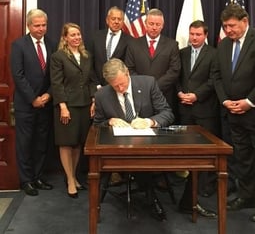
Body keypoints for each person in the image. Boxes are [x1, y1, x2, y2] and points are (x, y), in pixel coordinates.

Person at [93, 58, 175, 221]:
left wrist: (149, 122)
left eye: (122, 84)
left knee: (143, 160)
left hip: (148, 143)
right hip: (118, 146)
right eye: (115, 86)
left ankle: (151, 197)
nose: (121, 88)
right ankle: (148, 195)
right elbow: (97, 124)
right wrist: (109, 121)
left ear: (127, 73)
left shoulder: (148, 83)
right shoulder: (102, 95)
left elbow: (167, 113)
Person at [214, 3, 255, 222]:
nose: (228, 30)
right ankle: (247, 196)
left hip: (252, 111)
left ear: (245, 21)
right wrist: (225, 100)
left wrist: (249, 101)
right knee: (243, 158)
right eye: (225, 26)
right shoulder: (223, 45)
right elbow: (217, 75)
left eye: (231, 26)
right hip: (233, 113)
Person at [10, 9, 56, 196]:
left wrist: (49, 95)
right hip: (25, 105)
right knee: (25, 143)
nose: (40, 29)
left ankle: (37, 177)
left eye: (43, 25)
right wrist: (33, 99)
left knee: (41, 143)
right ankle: (26, 180)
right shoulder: (19, 45)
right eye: (37, 25)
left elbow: (56, 74)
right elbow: (18, 75)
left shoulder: (52, 44)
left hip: (45, 103)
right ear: (29, 26)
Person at [176, 20, 219, 218]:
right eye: (191, 34)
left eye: (198, 35)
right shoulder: (182, 52)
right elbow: (177, 76)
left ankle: (200, 191)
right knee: (185, 151)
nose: (194, 38)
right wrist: (179, 93)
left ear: (205, 35)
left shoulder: (214, 54)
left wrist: (196, 95)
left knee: (203, 153)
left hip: (204, 110)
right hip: (184, 110)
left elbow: (213, 81)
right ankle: (186, 191)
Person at [50, 23, 97, 198]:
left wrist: (93, 100)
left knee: (78, 143)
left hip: (84, 105)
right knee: (66, 142)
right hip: (67, 106)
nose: (76, 38)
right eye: (72, 35)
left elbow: (92, 80)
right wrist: (62, 106)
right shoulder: (58, 57)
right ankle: (69, 179)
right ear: (65, 38)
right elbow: (56, 83)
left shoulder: (86, 56)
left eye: (78, 34)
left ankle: (75, 175)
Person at [125, 8, 181, 110]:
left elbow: (174, 71)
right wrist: (144, 86)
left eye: (158, 24)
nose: (154, 27)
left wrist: (155, 87)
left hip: (164, 95)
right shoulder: (133, 45)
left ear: (162, 26)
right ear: (145, 24)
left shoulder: (172, 45)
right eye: (151, 24)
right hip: (139, 95)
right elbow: (129, 69)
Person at [89, 6, 132, 87]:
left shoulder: (130, 41)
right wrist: (97, 84)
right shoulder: (96, 37)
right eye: (113, 19)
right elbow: (90, 63)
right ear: (107, 20)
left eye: (119, 19)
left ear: (123, 22)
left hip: (118, 86)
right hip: (97, 86)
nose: (116, 22)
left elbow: (128, 66)